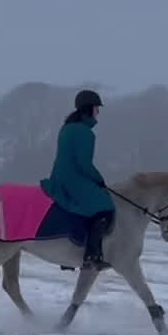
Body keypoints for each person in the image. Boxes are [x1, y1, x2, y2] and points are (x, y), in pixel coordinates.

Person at [42, 89, 116, 268]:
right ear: (89, 108)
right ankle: (91, 256)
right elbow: (84, 163)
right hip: (73, 178)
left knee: (85, 205)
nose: (98, 112)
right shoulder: (85, 132)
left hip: (60, 176)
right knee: (104, 206)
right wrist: (99, 180)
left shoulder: (67, 128)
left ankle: (69, 253)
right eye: (97, 108)